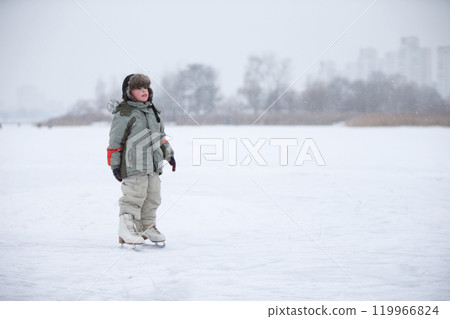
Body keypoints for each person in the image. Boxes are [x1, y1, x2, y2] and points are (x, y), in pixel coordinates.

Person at [107, 74, 176, 246]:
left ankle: (146, 226)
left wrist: (169, 154)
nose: (143, 91)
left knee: (153, 197)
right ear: (129, 92)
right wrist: (114, 165)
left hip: (153, 165)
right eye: (138, 88)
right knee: (134, 197)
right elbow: (115, 142)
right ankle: (126, 227)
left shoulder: (152, 111)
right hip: (133, 164)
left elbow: (160, 137)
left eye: (145, 87)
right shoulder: (125, 112)